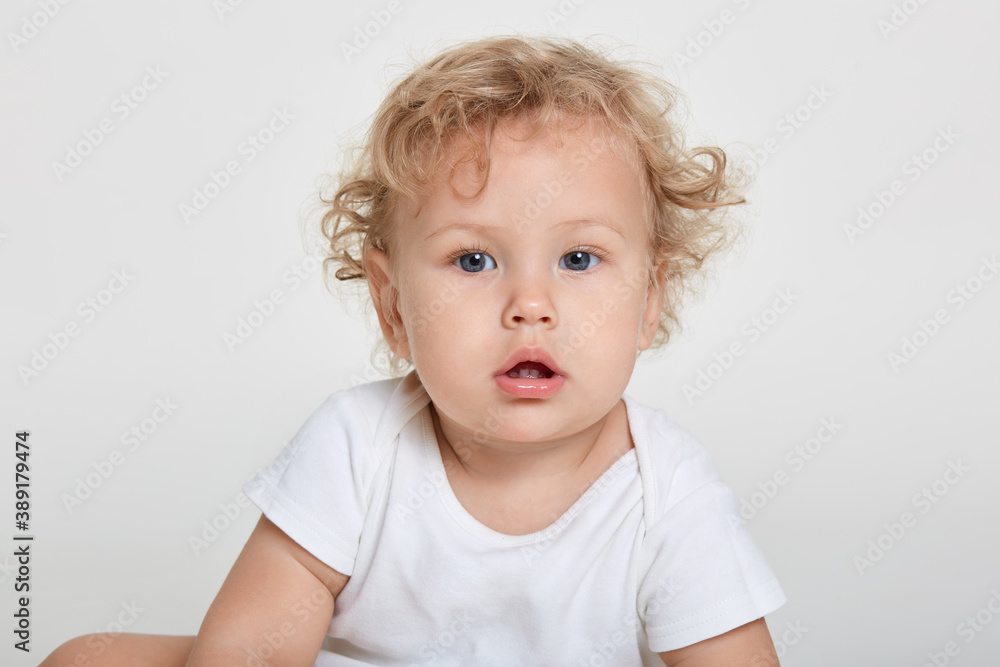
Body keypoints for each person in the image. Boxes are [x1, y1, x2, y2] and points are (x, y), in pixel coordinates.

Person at [42, 35, 785, 666]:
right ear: (392, 304)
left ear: (650, 299)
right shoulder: (357, 446)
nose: (531, 304)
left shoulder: (668, 493)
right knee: (87, 657)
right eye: (473, 261)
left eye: (580, 259)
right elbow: (256, 645)